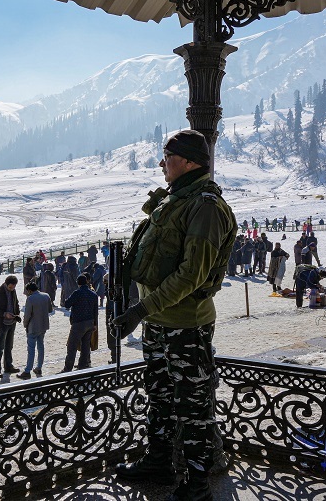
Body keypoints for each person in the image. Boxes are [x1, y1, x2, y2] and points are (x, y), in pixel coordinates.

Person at [112, 130, 237, 500]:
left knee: (193, 408)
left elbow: (191, 275)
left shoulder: (206, 208)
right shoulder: (176, 200)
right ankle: (159, 462)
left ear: (188, 161)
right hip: (159, 323)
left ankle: (198, 485)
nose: (161, 164)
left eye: (166, 157)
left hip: (187, 326)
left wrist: (141, 309)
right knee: (160, 398)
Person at [60, 274, 97, 373]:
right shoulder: (93, 294)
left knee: (72, 346)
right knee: (85, 346)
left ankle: (68, 368)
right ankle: (82, 366)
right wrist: (95, 324)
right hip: (90, 322)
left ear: (78, 283)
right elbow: (95, 311)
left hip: (78, 323)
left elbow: (67, 304)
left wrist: (66, 298)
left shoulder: (77, 293)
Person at [0, 275, 21, 379]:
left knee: (9, 346)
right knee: (0, 347)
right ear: (6, 284)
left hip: (12, 322)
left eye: (14, 287)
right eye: (10, 287)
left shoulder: (13, 291)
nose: (12, 289)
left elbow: (16, 303)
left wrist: (17, 314)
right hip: (1, 323)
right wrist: (4, 314)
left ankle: (8, 366)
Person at [17, 282, 51, 379]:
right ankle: (39, 367)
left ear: (30, 290)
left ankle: (27, 371)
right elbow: (50, 309)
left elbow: (27, 315)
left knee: (31, 349)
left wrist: (25, 324)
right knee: (41, 347)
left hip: (33, 327)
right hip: (43, 326)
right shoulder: (46, 296)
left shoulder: (30, 299)